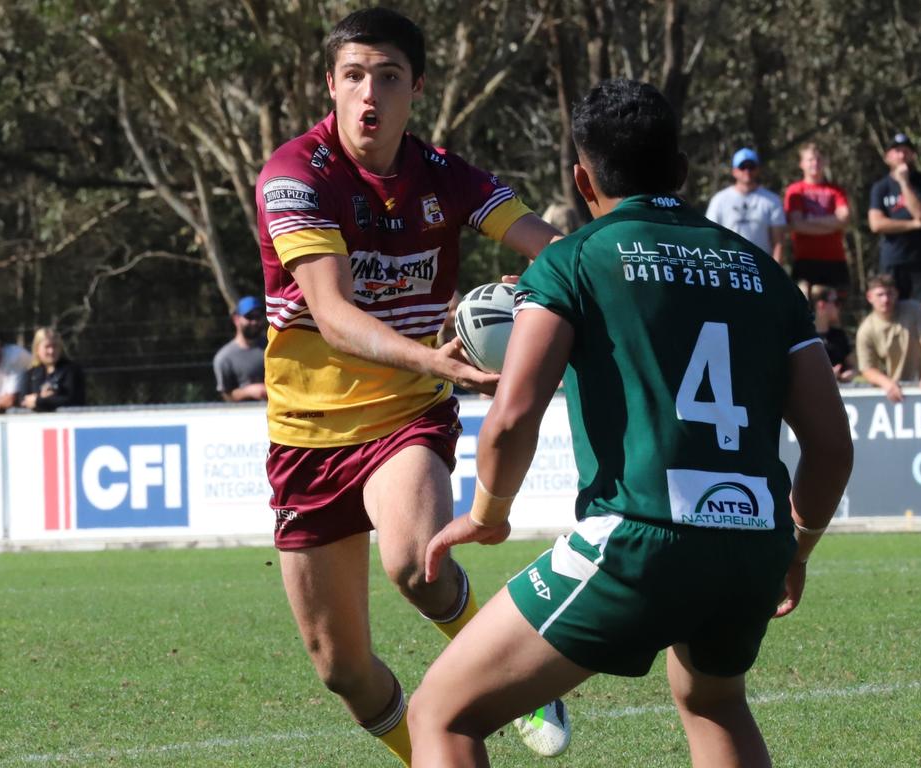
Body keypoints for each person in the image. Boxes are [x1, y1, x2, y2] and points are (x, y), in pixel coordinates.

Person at [408, 79, 854, 767]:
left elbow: (511, 416)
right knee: (713, 702)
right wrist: (794, 552)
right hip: (754, 544)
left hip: (640, 539)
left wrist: (487, 514)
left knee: (442, 715)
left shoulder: (572, 261)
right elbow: (830, 447)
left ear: (582, 180)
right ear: (681, 172)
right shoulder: (767, 275)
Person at [253, 8, 567, 766]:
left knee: (414, 563)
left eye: (388, 77)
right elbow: (331, 316)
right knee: (343, 670)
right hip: (307, 436)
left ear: (415, 88)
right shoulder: (295, 175)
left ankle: (521, 677)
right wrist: (439, 360)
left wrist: (547, 287)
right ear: (330, 84)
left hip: (404, 419)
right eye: (354, 76)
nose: (370, 95)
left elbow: (549, 248)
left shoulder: (449, 178)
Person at [868, 132, 921, 313]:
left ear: (913, 155)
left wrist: (904, 182)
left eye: (906, 151)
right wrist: (913, 225)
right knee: (892, 311)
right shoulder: (880, 187)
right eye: (897, 151)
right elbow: (876, 224)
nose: (901, 156)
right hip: (893, 260)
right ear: (887, 157)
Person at [856, 273, 921, 402]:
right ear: (869, 297)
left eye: (889, 293)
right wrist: (886, 383)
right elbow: (867, 368)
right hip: (896, 393)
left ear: (897, 293)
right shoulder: (866, 330)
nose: (885, 299)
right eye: (880, 295)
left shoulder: (914, 309)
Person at [784, 143, 851, 295]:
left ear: (825, 162)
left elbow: (844, 219)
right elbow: (796, 224)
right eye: (810, 159)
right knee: (804, 307)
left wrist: (810, 219)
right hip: (805, 260)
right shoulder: (795, 191)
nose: (815, 163)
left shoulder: (836, 190)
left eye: (819, 159)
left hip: (835, 259)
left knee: (834, 309)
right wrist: (832, 224)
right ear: (801, 164)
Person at [705, 146, 787, 265]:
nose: (747, 171)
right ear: (734, 171)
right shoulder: (719, 200)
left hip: (762, 267)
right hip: (729, 266)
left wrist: (776, 272)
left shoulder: (772, 200)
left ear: (757, 169)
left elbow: (778, 241)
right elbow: (711, 236)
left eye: (751, 166)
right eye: (742, 167)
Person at [212, 295, 267, 402]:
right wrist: (248, 391)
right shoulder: (225, 358)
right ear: (236, 319)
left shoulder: (274, 348)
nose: (254, 322)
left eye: (258, 317)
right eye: (249, 317)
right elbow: (227, 396)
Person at [17, 327, 85, 411]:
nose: (51, 351)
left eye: (55, 346)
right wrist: (43, 398)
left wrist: (39, 401)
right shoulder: (31, 373)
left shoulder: (71, 370)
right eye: (47, 347)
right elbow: (23, 401)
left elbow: (73, 400)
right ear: (37, 349)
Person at [809, 284, 857, 382]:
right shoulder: (804, 337)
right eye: (836, 302)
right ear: (821, 305)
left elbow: (853, 366)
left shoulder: (839, 335)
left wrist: (850, 373)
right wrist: (825, 376)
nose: (839, 307)